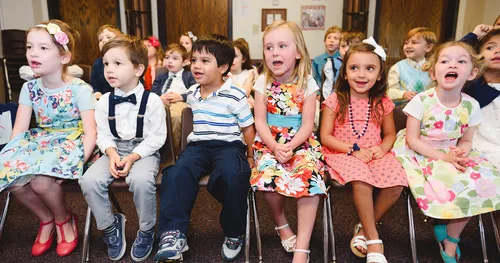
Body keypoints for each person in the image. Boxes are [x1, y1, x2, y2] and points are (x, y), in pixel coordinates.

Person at [392, 41, 500, 263]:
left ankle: (452, 237)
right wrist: (444, 158)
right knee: (449, 181)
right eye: (445, 60)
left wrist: (460, 154)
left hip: (451, 150)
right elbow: (412, 139)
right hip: (421, 150)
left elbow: (467, 139)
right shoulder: (422, 101)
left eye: (461, 61)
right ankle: (443, 222)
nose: (453, 64)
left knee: (481, 181)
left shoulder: (471, 105)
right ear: (433, 72)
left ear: (472, 73)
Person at [154, 34, 255, 262]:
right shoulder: (193, 92)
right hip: (198, 146)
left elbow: (248, 128)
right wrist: (169, 97)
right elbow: (183, 95)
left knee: (233, 175)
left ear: (223, 67)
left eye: (205, 61)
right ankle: (173, 233)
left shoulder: (235, 94)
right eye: (194, 60)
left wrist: (250, 155)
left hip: (228, 146)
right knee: (176, 173)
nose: (196, 66)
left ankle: (233, 231)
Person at [0, 19, 96, 257]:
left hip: (73, 142)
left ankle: (64, 220)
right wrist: (8, 158)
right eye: (29, 47)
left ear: (64, 57)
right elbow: (19, 131)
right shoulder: (29, 88)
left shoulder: (80, 89)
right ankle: (46, 219)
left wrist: (76, 163)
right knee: (10, 178)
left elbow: (91, 132)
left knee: (41, 182)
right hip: (42, 141)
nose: (33, 53)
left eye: (43, 48)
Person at [79, 35, 167, 262]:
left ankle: (147, 230)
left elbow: (157, 138)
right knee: (88, 181)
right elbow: (104, 134)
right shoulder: (104, 101)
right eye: (106, 63)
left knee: (140, 180)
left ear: (138, 69)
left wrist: (133, 157)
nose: (109, 69)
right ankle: (110, 226)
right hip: (114, 149)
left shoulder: (153, 101)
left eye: (118, 63)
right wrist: (111, 154)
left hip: (143, 150)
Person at [320, 38, 406, 263]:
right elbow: (325, 136)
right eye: (354, 68)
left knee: (397, 182)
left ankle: (363, 229)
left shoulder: (382, 101)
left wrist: (382, 147)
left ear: (379, 75)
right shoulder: (335, 100)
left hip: (375, 151)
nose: (361, 74)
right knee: (361, 179)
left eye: (369, 68)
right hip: (342, 152)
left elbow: (389, 134)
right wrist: (351, 150)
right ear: (345, 73)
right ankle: (374, 238)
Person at [251, 21, 327, 263]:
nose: (275, 52)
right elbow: (260, 121)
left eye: (282, 46)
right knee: (269, 177)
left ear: (297, 53)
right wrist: (275, 147)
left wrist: (291, 146)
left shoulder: (309, 83)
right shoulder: (262, 82)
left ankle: (302, 248)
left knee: (310, 179)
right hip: (269, 142)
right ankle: (281, 222)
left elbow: (307, 125)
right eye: (269, 47)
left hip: (300, 141)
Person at [462, 29, 500, 243]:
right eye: (490, 47)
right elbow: (452, 58)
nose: (497, 51)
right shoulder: (472, 85)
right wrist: (473, 36)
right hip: (477, 144)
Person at [152, 43, 196, 155]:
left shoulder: (189, 76)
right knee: (154, 116)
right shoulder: (161, 77)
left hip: (180, 103)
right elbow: (152, 93)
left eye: (175, 58)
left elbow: (195, 92)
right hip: (162, 103)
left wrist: (181, 96)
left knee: (176, 117)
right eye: (167, 58)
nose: (170, 61)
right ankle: (157, 149)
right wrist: (159, 98)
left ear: (185, 62)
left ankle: (175, 151)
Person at [387, 27, 436, 105]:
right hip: (403, 110)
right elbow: (389, 92)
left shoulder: (433, 68)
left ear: (428, 47)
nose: (408, 46)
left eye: (414, 42)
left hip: (425, 109)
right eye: (406, 43)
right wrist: (403, 94)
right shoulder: (397, 68)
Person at [322, 29, 364, 101]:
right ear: (339, 47)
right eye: (343, 46)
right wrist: (328, 101)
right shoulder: (332, 63)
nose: (346, 50)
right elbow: (328, 85)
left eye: (350, 47)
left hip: (357, 99)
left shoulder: (362, 64)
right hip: (337, 99)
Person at [90, 24, 123, 99]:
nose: (104, 40)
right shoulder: (98, 63)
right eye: (100, 39)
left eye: (109, 37)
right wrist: (97, 93)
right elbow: (94, 84)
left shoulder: (126, 61)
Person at [230, 38, 258, 107]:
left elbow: (245, 93)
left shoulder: (248, 74)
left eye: (235, 56)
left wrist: (250, 79)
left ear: (243, 59)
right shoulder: (223, 74)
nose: (231, 59)